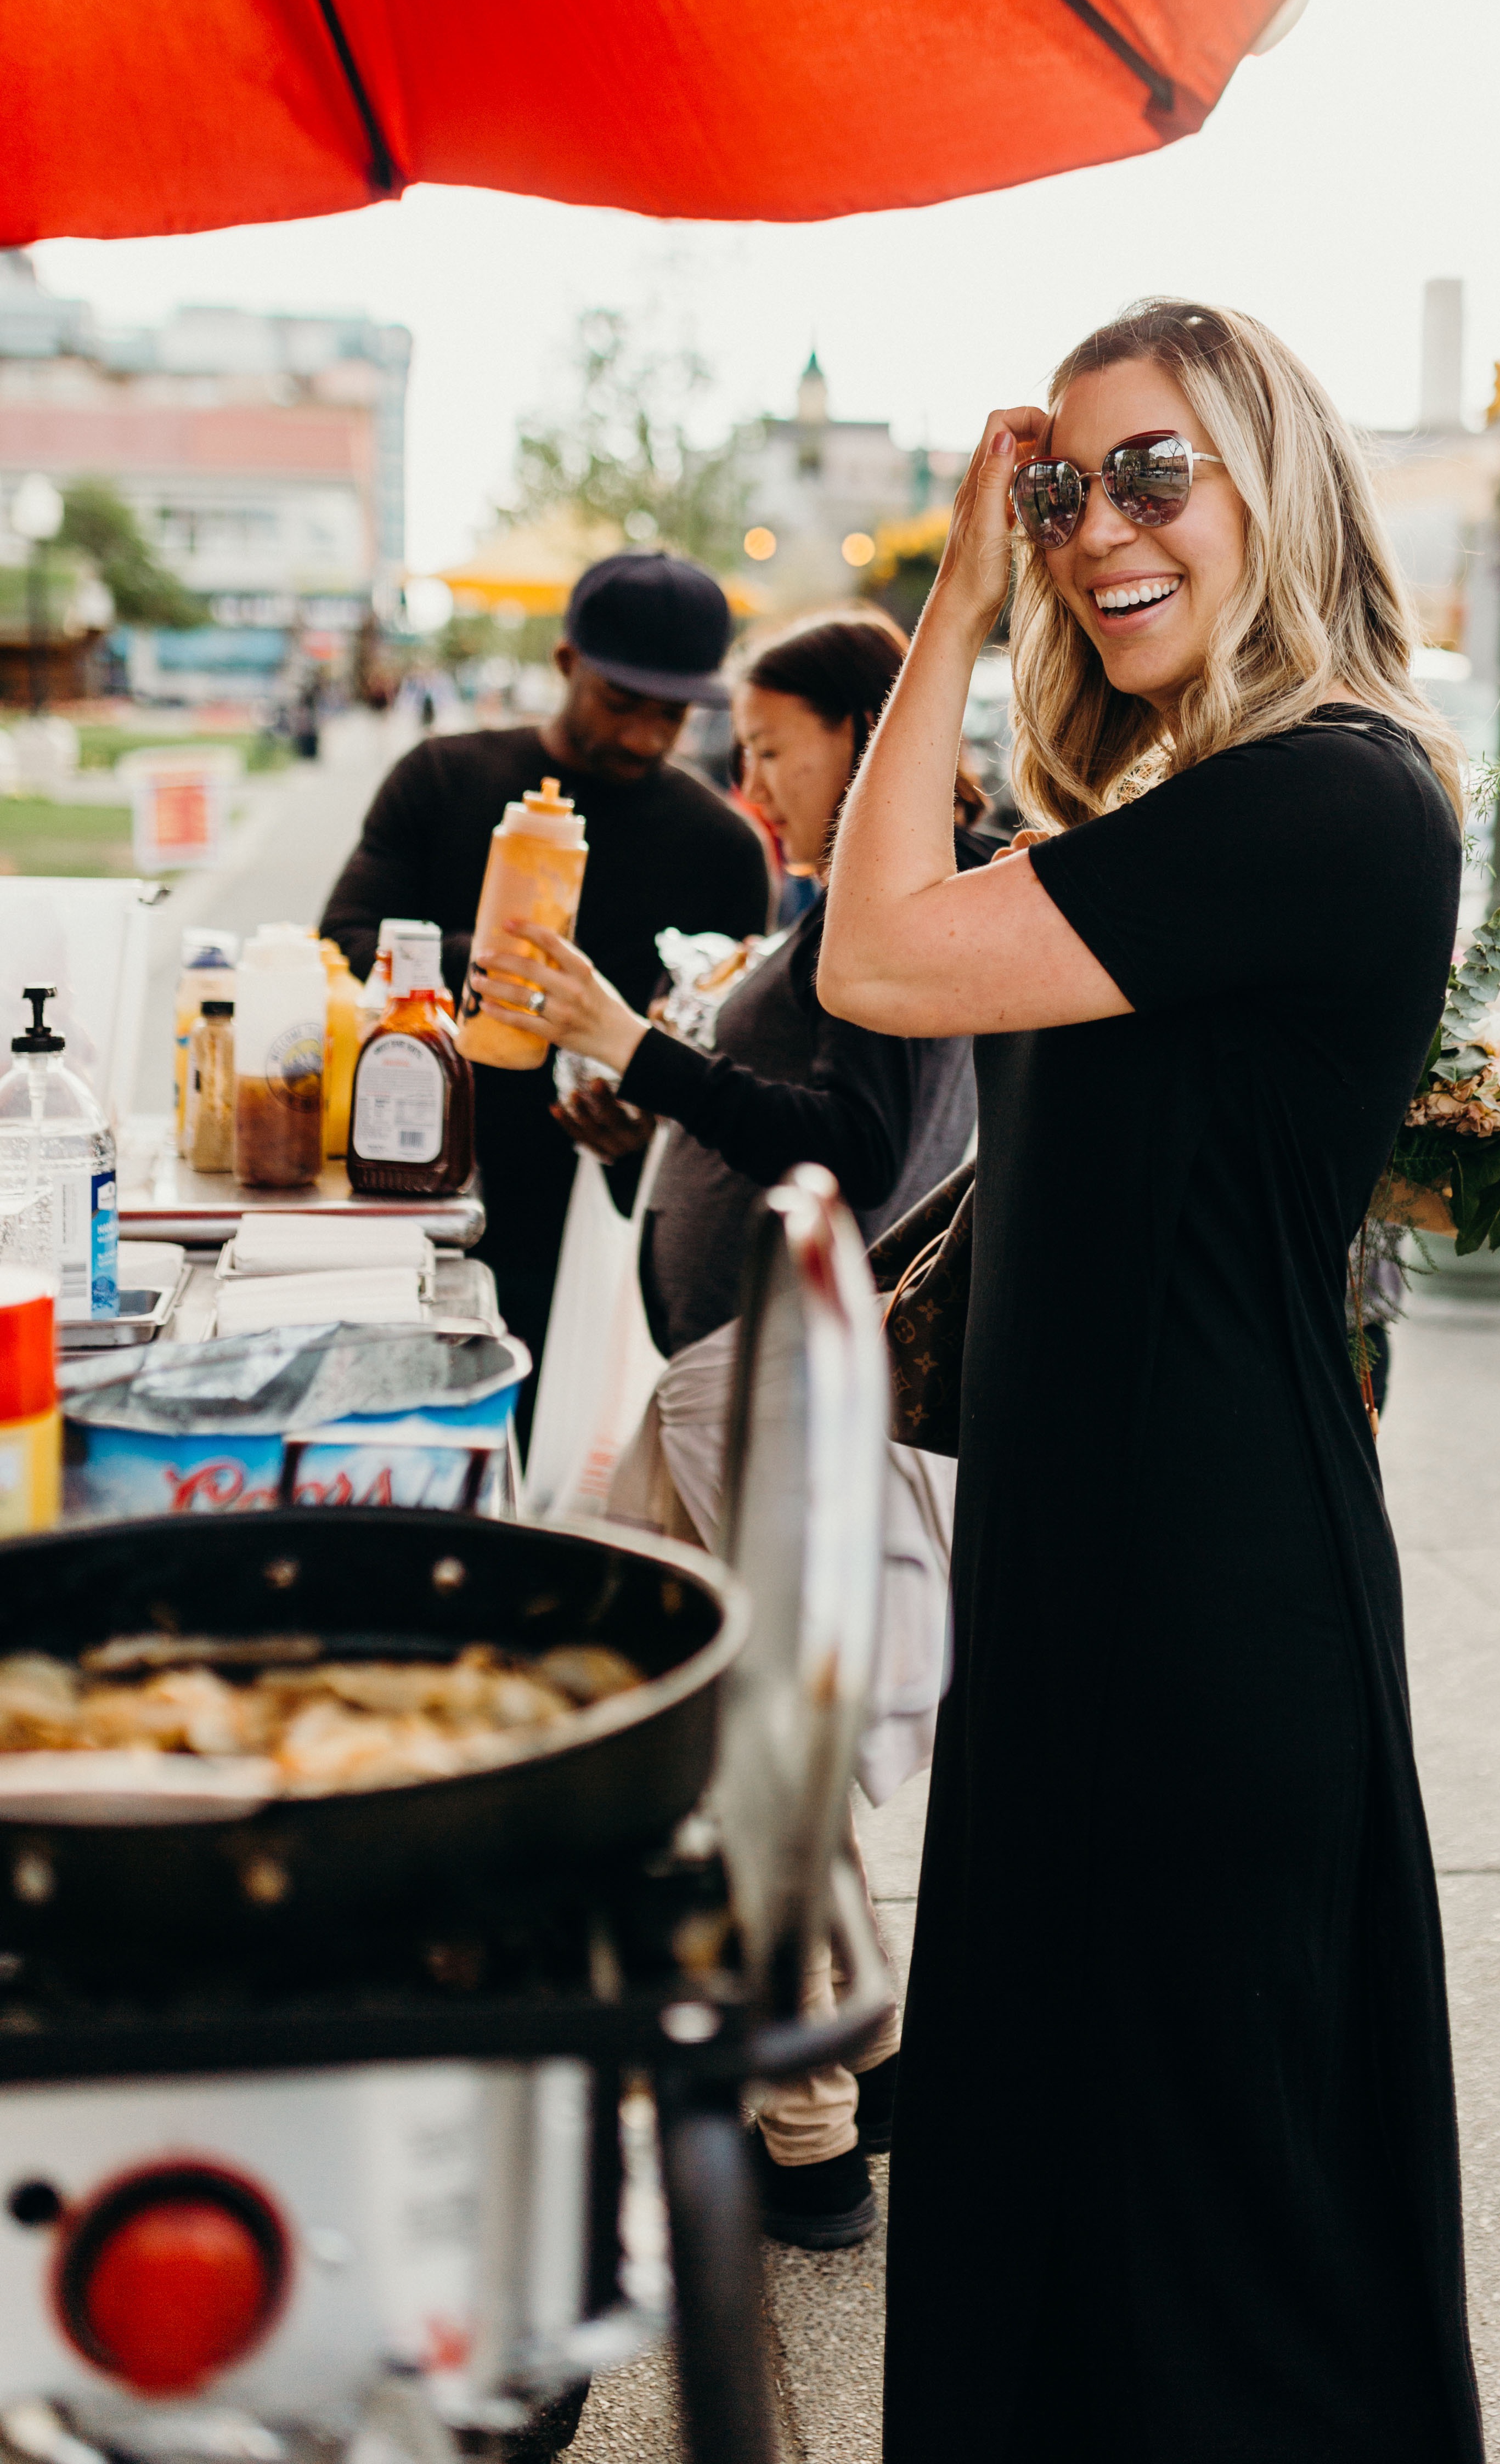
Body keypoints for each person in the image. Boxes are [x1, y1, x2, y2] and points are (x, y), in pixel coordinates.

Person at [819, 300, 1483, 2464]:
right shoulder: (1197, 814)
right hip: (1087, 1594)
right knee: (1074, 2213)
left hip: (1205, 1621)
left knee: (1208, 2264)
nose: (1099, 529)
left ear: (1272, 483)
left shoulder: (1334, 794)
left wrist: (951, 589)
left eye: (1151, 474)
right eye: (1057, 487)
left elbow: (877, 948)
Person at [471, 607, 989, 2254]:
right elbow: (753, 1126)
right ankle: (878, 2056)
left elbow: (842, 1133)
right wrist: (639, 1107)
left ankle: (808, 2127)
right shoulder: (855, 904)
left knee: (719, 1724)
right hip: (736, 1374)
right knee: (713, 1710)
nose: (750, 781)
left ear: (863, 728)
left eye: (773, 749)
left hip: (778, 1382)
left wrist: (637, 1044)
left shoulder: (891, 908)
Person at [320, 553, 770, 1403]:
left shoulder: (723, 846)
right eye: (621, 701)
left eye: (671, 714)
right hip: (420, 1176)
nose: (644, 734)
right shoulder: (444, 777)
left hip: (606, 1208)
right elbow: (344, 938)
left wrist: (651, 1107)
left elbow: (731, 1040)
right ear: (566, 663)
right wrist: (500, 966)